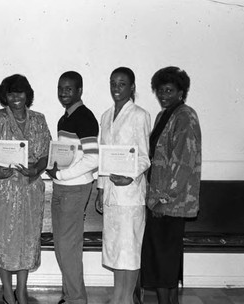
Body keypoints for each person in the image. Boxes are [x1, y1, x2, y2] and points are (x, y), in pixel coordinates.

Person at [0, 74, 51, 304]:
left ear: (27, 94)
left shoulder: (39, 119)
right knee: (4, 239)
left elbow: (45, 155)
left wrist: (35, 171)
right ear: (5, 96)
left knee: (26, 240)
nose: (15, 97)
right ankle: (7, 290)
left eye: (20, 92)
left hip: (30, 188)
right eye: (11, 93)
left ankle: (21, 290)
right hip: (3, 187)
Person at [140, 67, 201, 304]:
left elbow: (183, 163)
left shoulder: (186, 116)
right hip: (158, 199)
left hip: (171, 203)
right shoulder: (163, 115)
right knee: (161, 259)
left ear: (181, 92)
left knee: (165, 259)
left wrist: (161, 198)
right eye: (160, 90)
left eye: (169, 90)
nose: (163, 95)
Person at [94, 67, 151, 304]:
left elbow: (145, 157)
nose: (116, 88)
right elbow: (102, 156)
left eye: (122, 84)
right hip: (110, 193)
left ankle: (126, 298)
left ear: (132, 88)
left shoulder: (140, 115)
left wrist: (130, 176)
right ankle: (118, 295)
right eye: (113, 83)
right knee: (116, 249)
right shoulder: (106, 116)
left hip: (130, 194)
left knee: (130, 249)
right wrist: (100, 189)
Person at [46, 71, 99, 304]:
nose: (63, 93)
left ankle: (77, 299)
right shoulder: (64, 118)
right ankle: (69, 296)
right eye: (60, 88)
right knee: (62, 248)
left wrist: (62, 173)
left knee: (68, 248)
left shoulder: (85, 117)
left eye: (69, 89)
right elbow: (68, 155)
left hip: (75, 189)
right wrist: (55, 170)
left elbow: (93, 158)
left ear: (79, 91)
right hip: (61, 187)